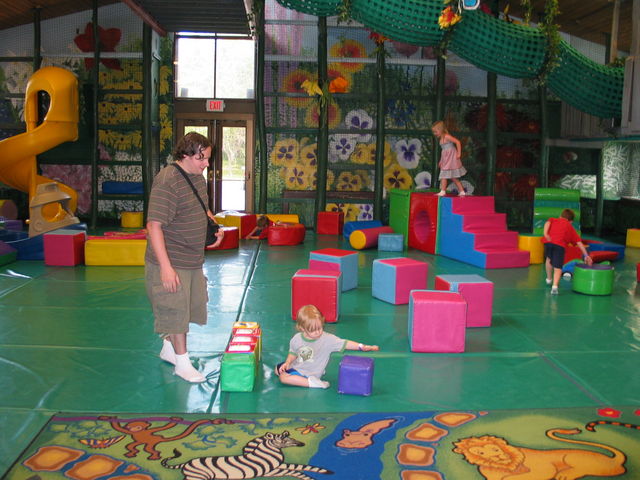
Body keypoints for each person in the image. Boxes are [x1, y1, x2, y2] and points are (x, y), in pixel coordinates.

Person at [145, 132, 223, 383]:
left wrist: (214, 226)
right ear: (185, 155)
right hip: (172, 259)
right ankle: (182, 363)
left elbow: (202, 207)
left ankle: (169, 348)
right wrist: (166, 268)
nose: (207, 164)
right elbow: (154, 225)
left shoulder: (197, 177)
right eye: (202, 158)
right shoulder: (167, 181)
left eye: (208, 158)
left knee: (189, 306)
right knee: (175, 311)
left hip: (192, 259)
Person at [275, 305, 379, 389]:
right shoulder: (297, 338)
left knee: (283, 378)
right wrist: (287, 362)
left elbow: (345, 343)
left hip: (311, 372)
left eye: (320, 328)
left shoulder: (328, 339)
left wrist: (361, 346)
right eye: (312, 330)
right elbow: (293, 353)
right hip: (298, 366)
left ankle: (314, 383)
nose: (317, 332)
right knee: (277, 369)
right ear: (302, 328)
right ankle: (302, 379)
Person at [542, 208, 592, 295]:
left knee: (548, 259)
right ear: (571, 221)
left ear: (560, 216)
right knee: (558, 267)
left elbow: (547, 223)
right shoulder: (570, 227)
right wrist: (586, 255)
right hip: (559, 245)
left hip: (548, 242)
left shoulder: (554, 220)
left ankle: (549, 279)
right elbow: (579, 243)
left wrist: (545, 233)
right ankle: (554, 286)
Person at [431, 120, 466, 197]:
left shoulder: (447, 136)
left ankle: (443, 191)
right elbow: (443, 152)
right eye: (434, 132)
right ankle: (462, 191)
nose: (435, 134)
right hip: (446, 159)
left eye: (436, 132)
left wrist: (459, 153)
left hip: (451, 158)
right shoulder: (441, 139)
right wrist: (441, 161)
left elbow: (457, 142)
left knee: (445, 175)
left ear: (441, 130)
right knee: (452, 177)